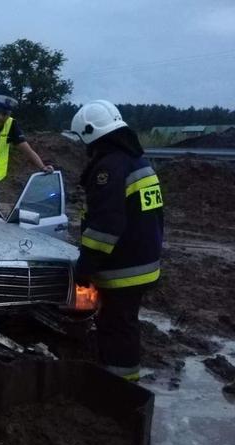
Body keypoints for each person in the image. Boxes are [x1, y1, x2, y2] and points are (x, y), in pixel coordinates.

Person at [69, 100, 164, 382]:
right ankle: (124, 382)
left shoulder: (108, 169)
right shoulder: (137, 161)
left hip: (124, 268)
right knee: (125, 325)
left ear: (90, 133)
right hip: (144, 262)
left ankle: (119, 389)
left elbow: (105, 225)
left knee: (116, 328)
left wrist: (85, 266)